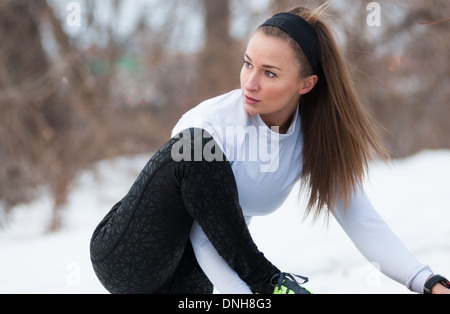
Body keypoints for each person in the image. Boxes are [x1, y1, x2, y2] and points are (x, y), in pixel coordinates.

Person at [90, 6, 450, 294]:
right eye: (248, 64)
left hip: (190, 275)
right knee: (195, 149)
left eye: (270, 73)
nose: (250, 82)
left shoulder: (313, 139)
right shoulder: (211, 122)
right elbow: (202, 233)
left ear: (306, 84)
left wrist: (426, 281)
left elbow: (363, 223)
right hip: (128, 256)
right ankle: (269, 283)